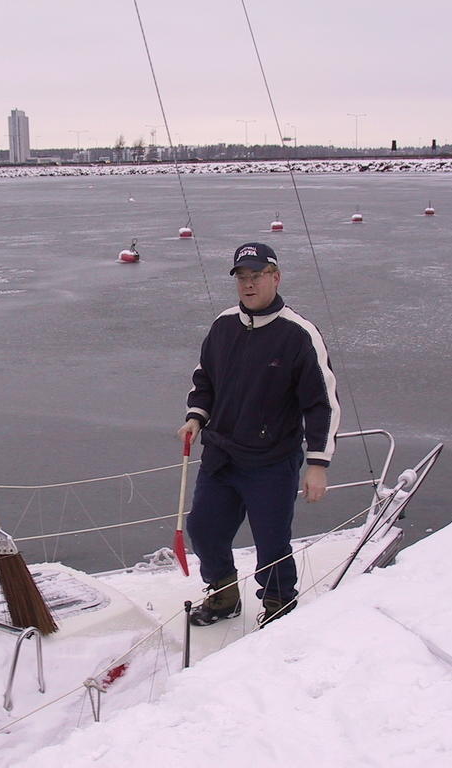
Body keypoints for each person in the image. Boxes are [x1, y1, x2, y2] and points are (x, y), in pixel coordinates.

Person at [178, 242, 340, 627]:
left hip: (271, 461)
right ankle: (223, 597)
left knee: (271, 543)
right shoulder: (223, 325)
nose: (249, 285)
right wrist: (196, 417)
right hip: (221, 455)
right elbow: (205, 380)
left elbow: (322, 404)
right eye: (242, 278)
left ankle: (279, 604)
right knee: (203, 528)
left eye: (257, 276)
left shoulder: (299, 335)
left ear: (275, 277)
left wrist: (317, 464)